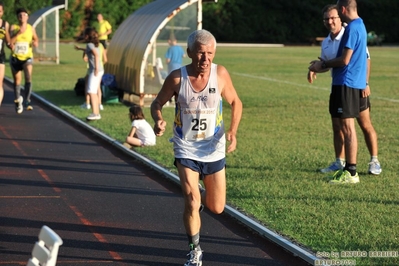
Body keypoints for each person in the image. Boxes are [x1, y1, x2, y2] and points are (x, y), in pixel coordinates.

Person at [151, 29, 242, 265]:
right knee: (192, 200)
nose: (205, 59)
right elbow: (157, 102)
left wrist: (232, 131)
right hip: (186, 147)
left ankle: (200, 203)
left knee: (217, 207)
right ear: (190, 52)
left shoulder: (220, 74)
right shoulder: (176, 78)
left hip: (213, 148)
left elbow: (235, 102)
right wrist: (158, 119)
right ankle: (194, 249)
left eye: (210, 53)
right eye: (201, 53)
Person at [307, 4, 381, 176]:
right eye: (326, 19)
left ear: (340, 17)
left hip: (356, 85)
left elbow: (366, 59)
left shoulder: (351, 32)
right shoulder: (326, 43)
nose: (330, 21)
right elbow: (326, 64)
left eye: (333, 17)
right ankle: (339, 162)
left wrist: (366, 83)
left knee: (364, 124)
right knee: (337, 125)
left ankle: (374, 160)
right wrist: (315, 68)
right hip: (339, 86)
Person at [9, 7, 39, 113]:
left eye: (24, 15)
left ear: (27, 17)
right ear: (18, 18)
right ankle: (18, 101)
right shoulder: (14, 27)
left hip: (27, 57)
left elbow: (36, 38)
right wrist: (18, 33)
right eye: (20, 15)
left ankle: (27, 100)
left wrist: (35, 42)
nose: (22, 17)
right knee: (17, 81)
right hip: (16, 57)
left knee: (28, 77)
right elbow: (10, 42)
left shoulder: (31, 28)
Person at [74, 27, 104, 121]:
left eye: (84, 34)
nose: (83, 36)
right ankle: (96, 112)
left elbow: (96, 55)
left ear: (87, 36)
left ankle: (95, 113)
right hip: (98, 70)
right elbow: (90, 51)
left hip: (95, 70)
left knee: (91, 91)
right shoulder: (93, 44)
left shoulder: (90, 45)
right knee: (93, 91)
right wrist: (80, 49)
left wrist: (95, 68)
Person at [79, 42, 107, 111]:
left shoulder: (90, 45)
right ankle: (100, 104)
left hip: (93, 68)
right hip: (101, 68)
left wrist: (96, 67)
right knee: (98, 87)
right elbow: (105, 59)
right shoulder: (101, 45)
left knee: (89, 87)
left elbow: (86, 56)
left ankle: (88, 103)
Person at [0, 2, 11, 108]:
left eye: (0, 11)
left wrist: (11, 45)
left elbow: (8, 40)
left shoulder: (5, 24)